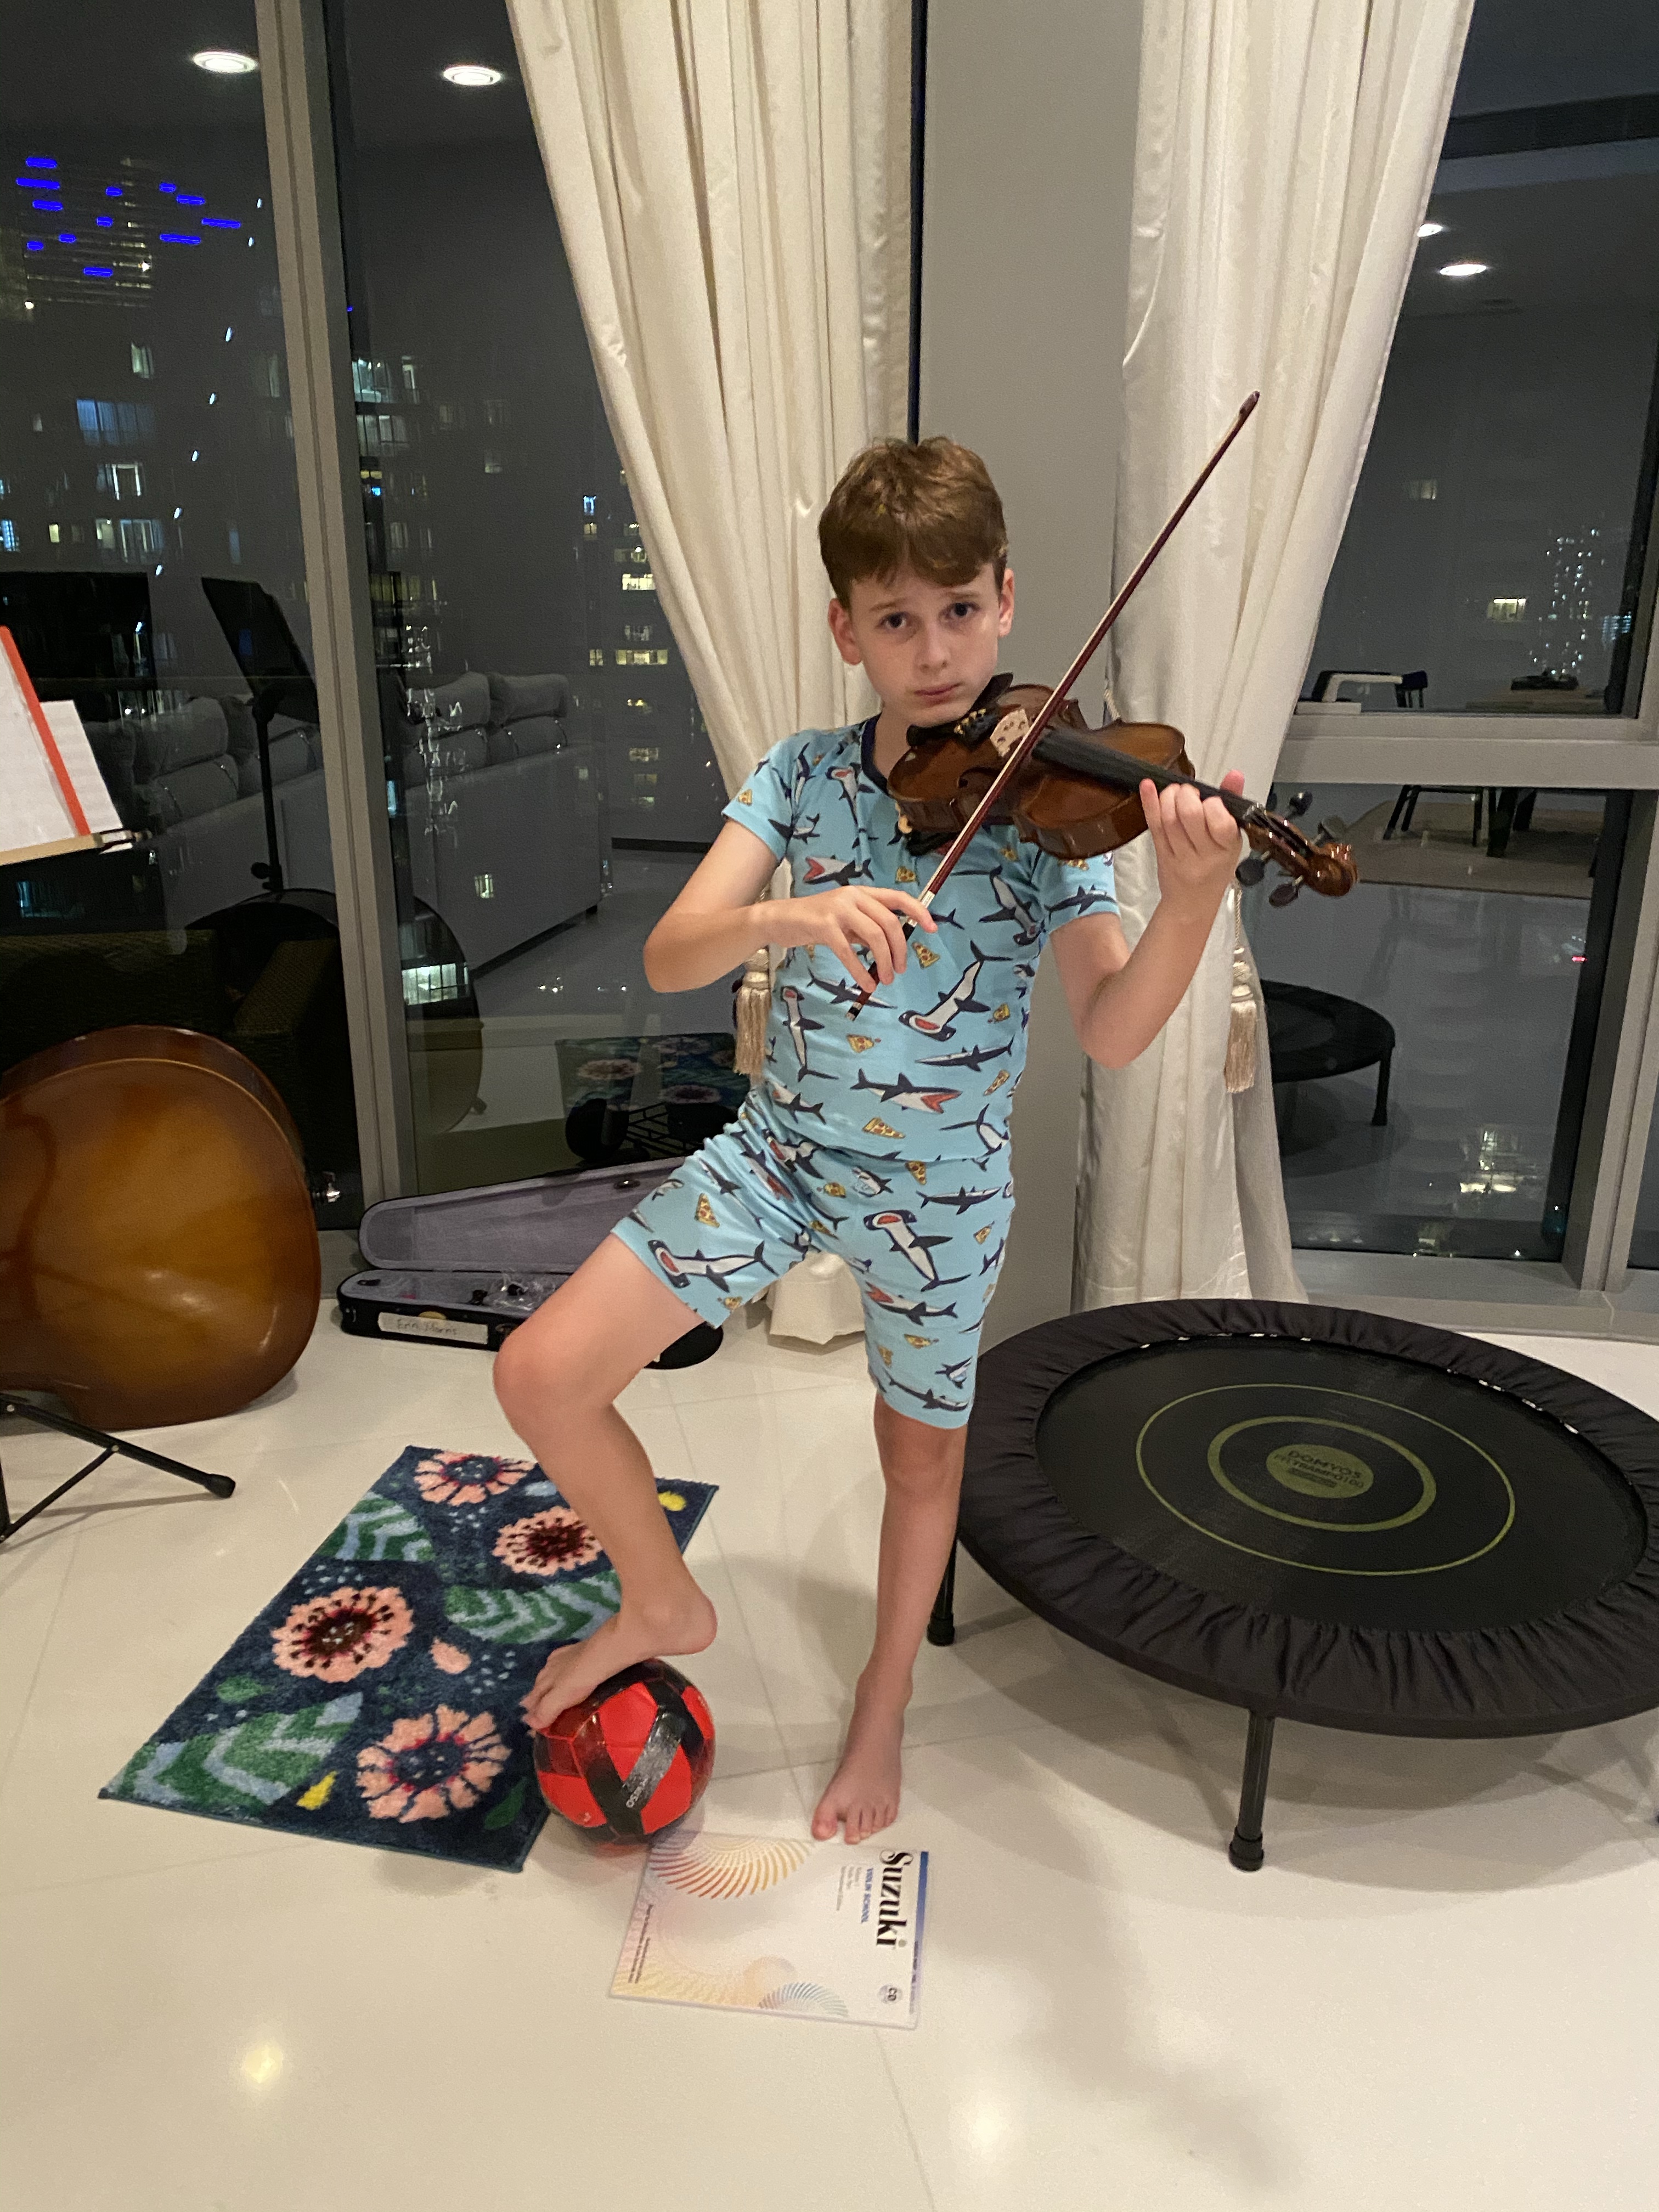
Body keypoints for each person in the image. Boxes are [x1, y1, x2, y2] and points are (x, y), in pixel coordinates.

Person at [493, 436, 1245, 1843]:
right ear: (848, 631)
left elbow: (1112, 1030)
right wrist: (788, 914)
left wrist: (1193, 904)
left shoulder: (1043, 819)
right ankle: (662, 1598)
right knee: (540, 1373)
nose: (935, 651)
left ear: (1007, 600)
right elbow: (668, 954)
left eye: (959, 609)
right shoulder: (801, 777)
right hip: (776, 1159)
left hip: (944, 1199)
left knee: (918, 1462)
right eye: (896, 619)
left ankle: (883, 1700)